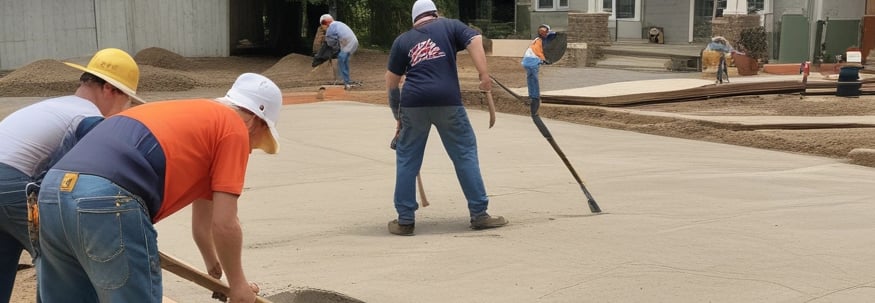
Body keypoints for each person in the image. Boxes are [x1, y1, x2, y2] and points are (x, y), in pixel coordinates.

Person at [36, 72, 282, 302]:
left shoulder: (194, 116)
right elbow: (225, 223)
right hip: (106, 199)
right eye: (259, 140)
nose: (251, 148)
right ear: (255, 122)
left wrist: (213, 265)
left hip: (52, 192)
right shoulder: (234, 128)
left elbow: (204, 222)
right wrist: (239, 286)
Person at [0, 47, 143, 303]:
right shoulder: (89, 117)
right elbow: (93, 179)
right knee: (60, 257)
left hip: (10, 178)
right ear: (110, 89)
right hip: (12, 182)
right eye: (127, 100)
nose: (125, 108)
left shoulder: (56, 106)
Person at [384, 0, 507, 236]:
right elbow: (475, 39)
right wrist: (483, 75)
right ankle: (479, 214)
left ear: (415, 20)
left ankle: (405, 220)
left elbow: (391, 81)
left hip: (413, 104)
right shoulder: (450, 26)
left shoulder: (403, 40)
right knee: (464, 154)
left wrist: (397, 115)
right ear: (435, 14)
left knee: (407, 160)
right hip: (448, 101)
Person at [320, 14, 359, 90]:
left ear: (326, 22)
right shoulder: (338, 23)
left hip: (348, 43)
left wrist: (330, 46)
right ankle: (345, 80)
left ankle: (345, 82)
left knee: (341, 59)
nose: (323, 27)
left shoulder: (331, 27)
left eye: (322, 25)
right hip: (352, 42)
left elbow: (330, 42)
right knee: (344, 61)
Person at [521, 24, 557, 106]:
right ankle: (535, 98)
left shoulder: (537, 40)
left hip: (527, 61)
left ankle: (531, 97)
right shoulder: (541, 41)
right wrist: (544, 60)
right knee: (534, 80)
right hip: (532, 61)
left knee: (530, 79)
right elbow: (538, 52)